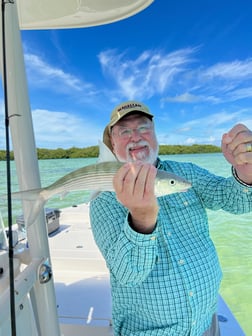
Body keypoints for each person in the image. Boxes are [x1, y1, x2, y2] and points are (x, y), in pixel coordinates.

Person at [89, 101, 252, 336]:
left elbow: (235, 201)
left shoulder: (185, 172)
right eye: (124, 131)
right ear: (112, 145)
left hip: (206, 322)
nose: (135, 137)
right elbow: (128, 274)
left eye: (143, 128)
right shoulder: (104, 197)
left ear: (155, 135)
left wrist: (246, 173)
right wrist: (142, 220)